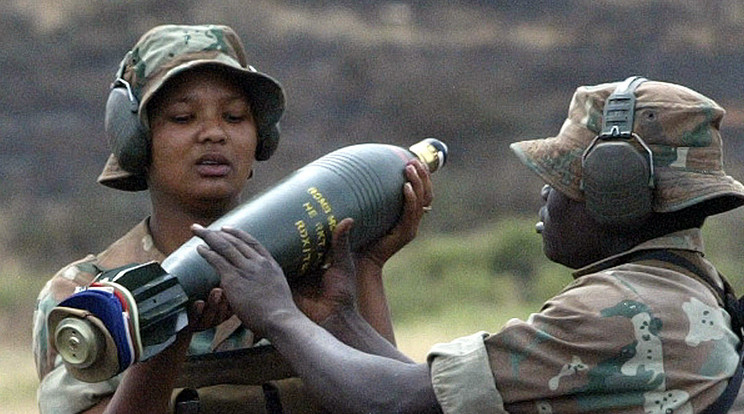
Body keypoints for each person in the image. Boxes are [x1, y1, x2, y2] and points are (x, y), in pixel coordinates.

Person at [193, 78, 744, 413]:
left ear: (617, 191)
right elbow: (439, 398)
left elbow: (393, 404)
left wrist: (277, 315)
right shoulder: (691, 296)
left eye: (562, 177)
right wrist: (339, 318)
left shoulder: (618, 313)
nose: (546, 194)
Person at [32, 24, 433, 414]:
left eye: (235, 117)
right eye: (182, 118)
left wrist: (366, 268)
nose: (213, 134)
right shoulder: (90, 296)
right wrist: (163, 330)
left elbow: (394, 400)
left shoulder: (316, 274)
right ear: (136, 141)